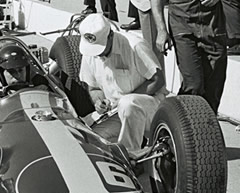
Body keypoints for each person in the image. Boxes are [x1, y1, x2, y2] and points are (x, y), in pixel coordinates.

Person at [79, 13, 167, 153]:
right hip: (115, 112)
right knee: (90, 141)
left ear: (111, 36)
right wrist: (99, 102)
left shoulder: (135, 46)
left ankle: (130, 154)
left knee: (128, 103)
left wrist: (124, 99)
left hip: (149, 106)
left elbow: (158, 80)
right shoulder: (89, 53)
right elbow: (93, 88)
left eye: (101, 49)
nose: (98, 55)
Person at [150, 0, 227, 114]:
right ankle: (180, 123)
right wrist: (161, 30)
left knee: (214, 86)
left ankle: (207, 126)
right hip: (183, 23)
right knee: (193, 84)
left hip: (213, 23)